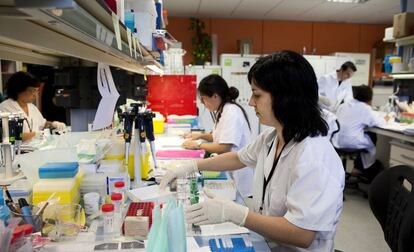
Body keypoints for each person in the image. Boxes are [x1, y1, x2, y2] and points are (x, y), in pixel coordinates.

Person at [161, 51, 344, 251]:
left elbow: (301, 234)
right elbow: (237, 158)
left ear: (286, 97)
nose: (250, 102)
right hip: (267, 242)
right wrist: (191, 165)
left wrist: (236, 214)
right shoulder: (272, 137)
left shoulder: (314, 156)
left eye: (257, 95)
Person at [182, 74, 254, 198]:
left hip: (240, 177)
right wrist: (199, 136)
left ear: (215, 96)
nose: (203, 103)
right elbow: (217, 136)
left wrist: (198, 145)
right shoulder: (223, 110)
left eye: (203, 99)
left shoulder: (231, 112)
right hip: (231, 170)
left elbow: (224, 147)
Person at [332, 85, 386, 179]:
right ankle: (359, 168)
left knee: (365, 136)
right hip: (351, 143)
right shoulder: (365, 108)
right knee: (372, 136)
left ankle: (357, 167)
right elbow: (380, 123)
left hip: (336, 142)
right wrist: (386, 118)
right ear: (370, 98)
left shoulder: (343, 106)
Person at [0, 71, 66, 142]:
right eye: (32, 90)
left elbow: (43, 124)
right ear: (19, 89)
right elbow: (11, 136)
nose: (35, 95)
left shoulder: (32, 107)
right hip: (17, 151)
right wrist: (34, 134)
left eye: (37, 91)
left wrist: (54, 124)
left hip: (34, 149)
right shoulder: (5, 107)